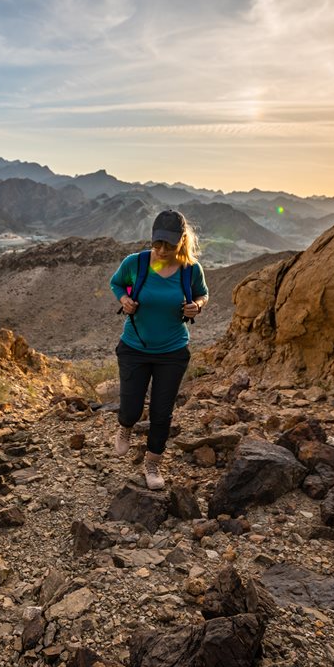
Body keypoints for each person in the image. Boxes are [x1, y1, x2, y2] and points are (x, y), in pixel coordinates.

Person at [109, 209, 209, 489]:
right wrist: (124, 299)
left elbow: (203, 293)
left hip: (172, 352)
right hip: (134, 347)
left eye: (169, 244)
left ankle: (152, 464)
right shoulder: (136, 263)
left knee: (161, 412)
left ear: (182, 241)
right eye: (157, 243)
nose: (162, 250)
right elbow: (116, 283)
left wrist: (197, 305)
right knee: (130, 407)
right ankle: (125, 426)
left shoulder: (191, 269)